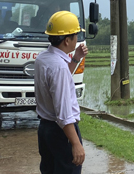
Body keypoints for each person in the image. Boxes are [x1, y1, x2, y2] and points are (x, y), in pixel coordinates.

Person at [35, 11, 89, 173]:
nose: (77, 40)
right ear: (67, 40)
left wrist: (75, 58)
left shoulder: (43, 59)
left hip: (45, 129)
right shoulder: (58, 67)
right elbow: (64, 115)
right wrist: (76, 144)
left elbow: (59, 78)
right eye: (75, 36)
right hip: (60, 134)